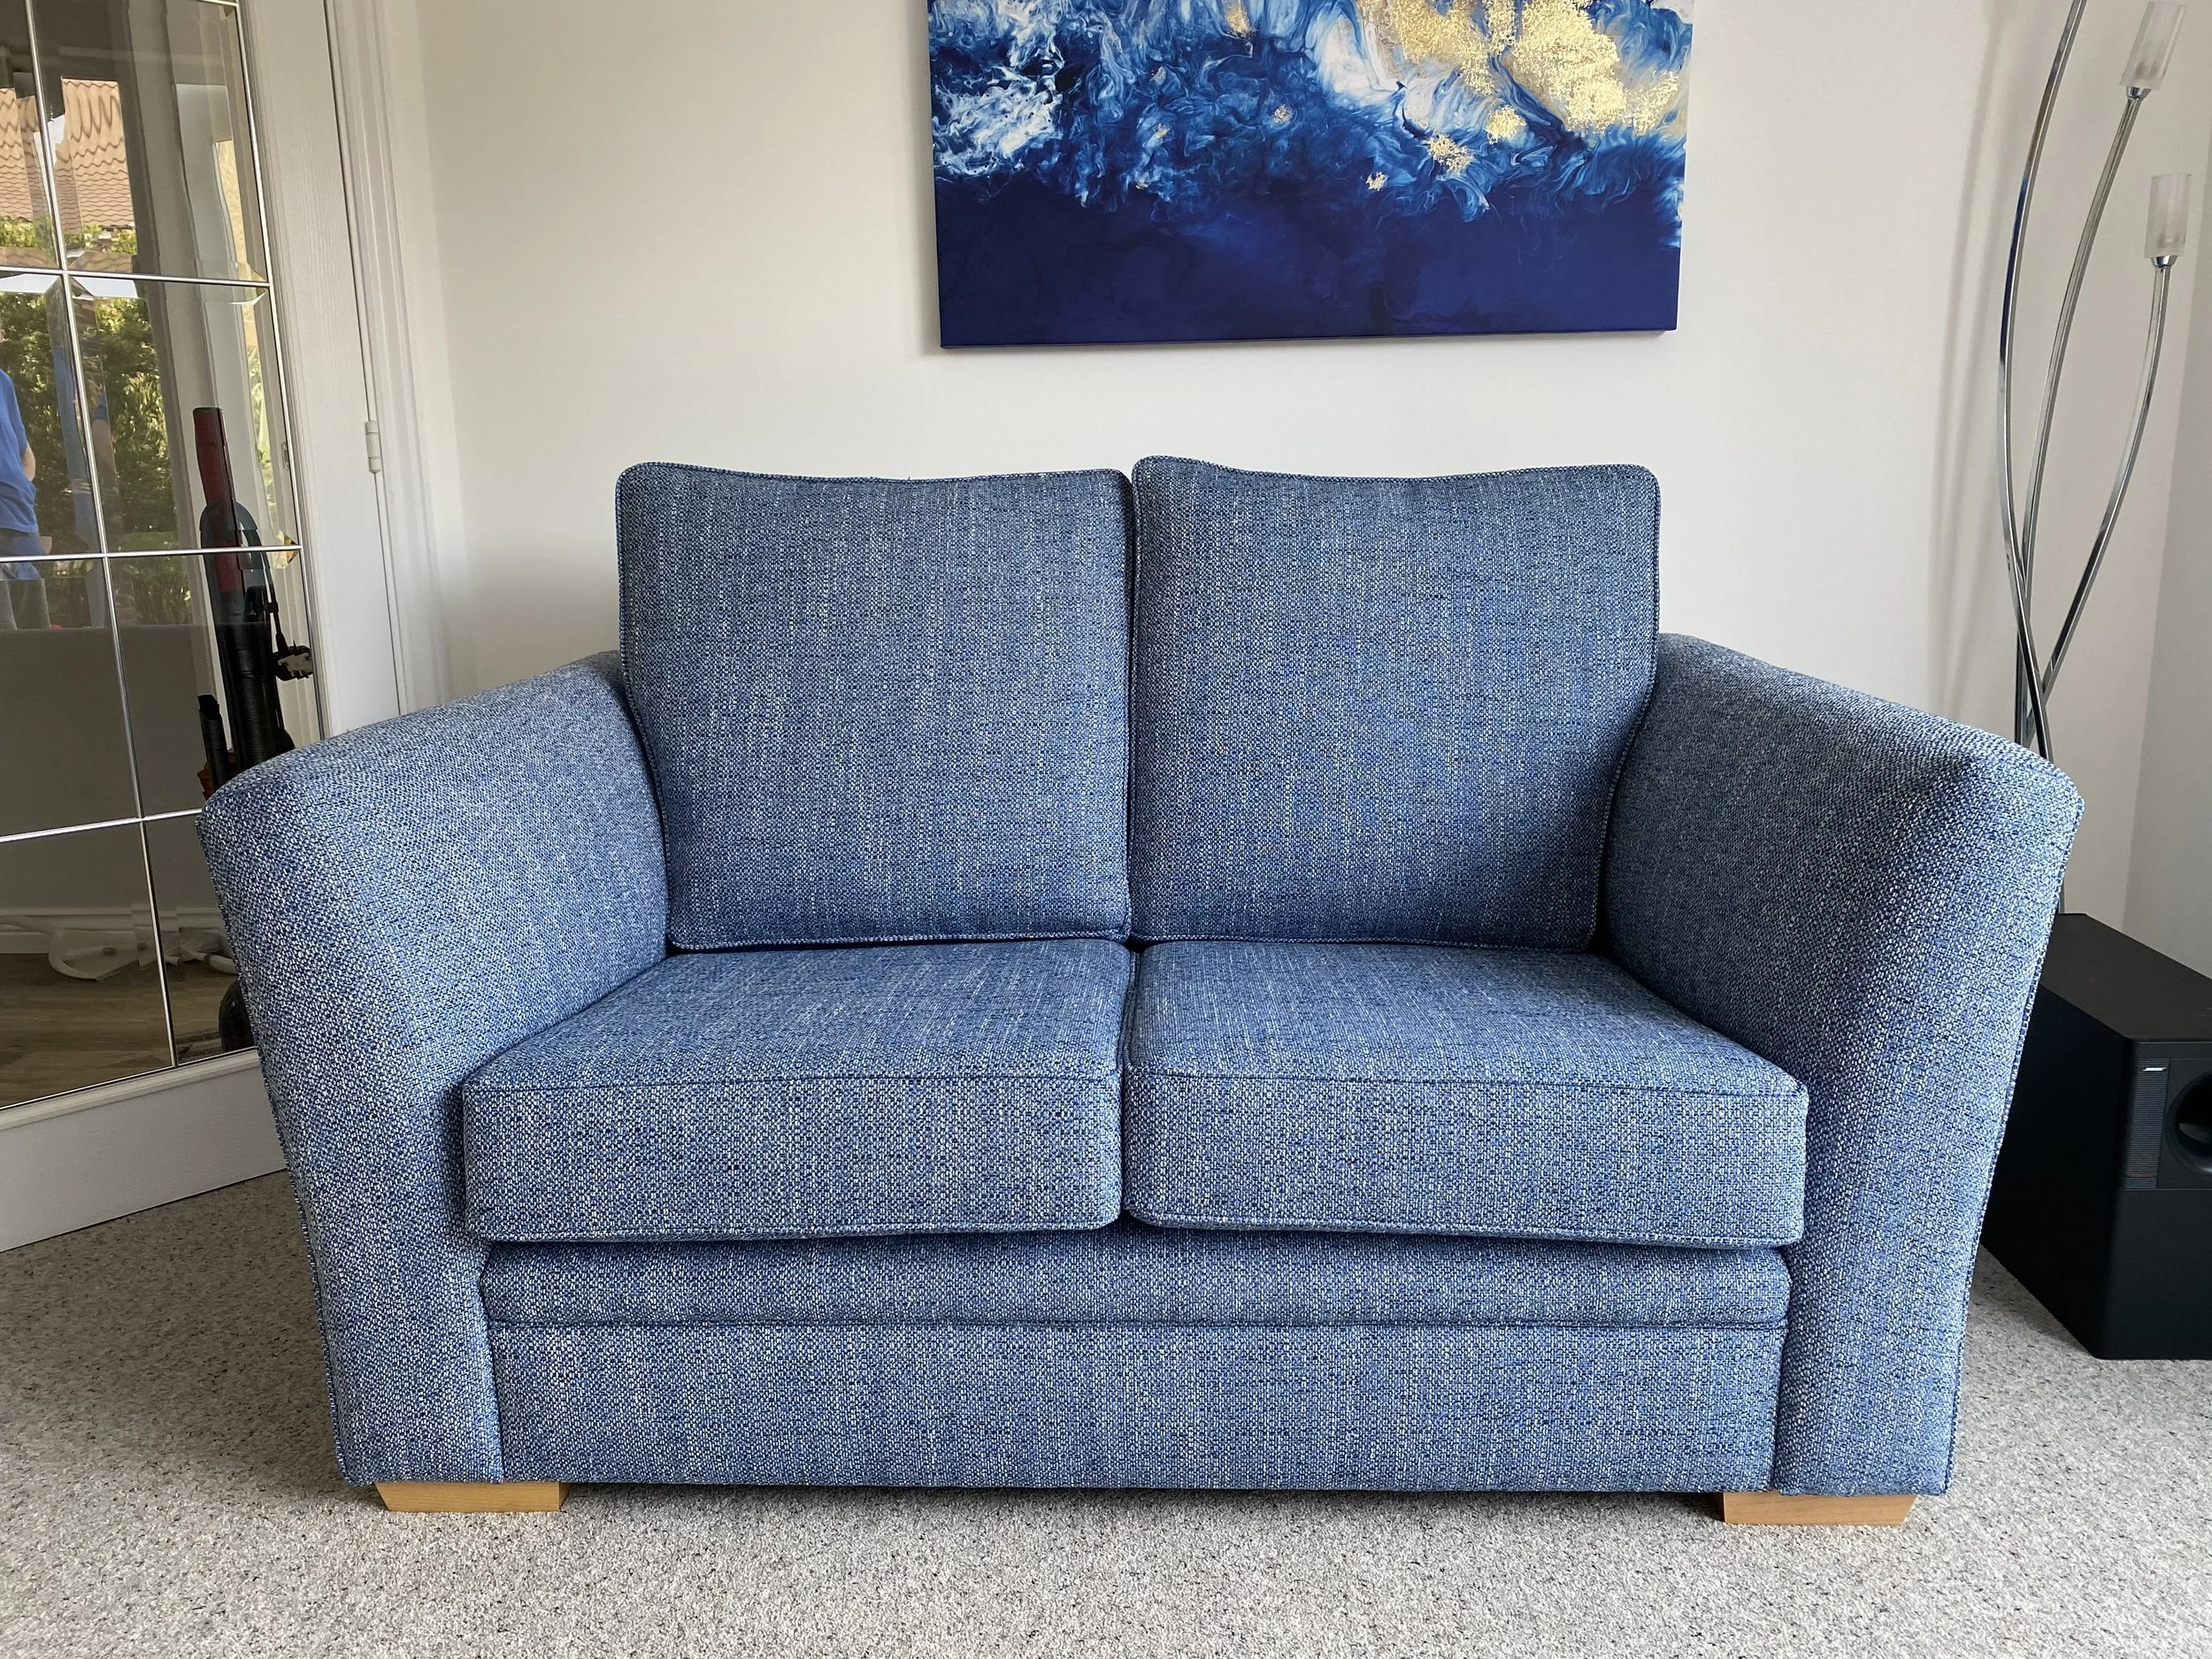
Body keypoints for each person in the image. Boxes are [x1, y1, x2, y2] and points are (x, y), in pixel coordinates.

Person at [0, 326, 45, 630]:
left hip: (21, 521)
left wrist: (24, 485)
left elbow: (24, 450)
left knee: (37, 639)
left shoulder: (3, 381)